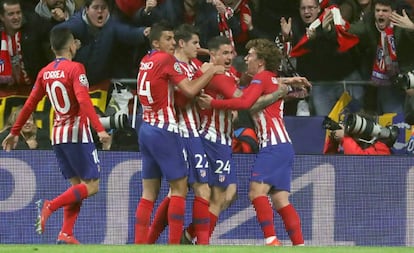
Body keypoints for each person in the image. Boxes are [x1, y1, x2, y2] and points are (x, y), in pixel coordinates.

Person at [1, 27, 111, 244]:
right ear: (72, 46)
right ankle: (50, 205)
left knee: (77, 187)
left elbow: (30, 104)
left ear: (52, 49)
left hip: (57, 135)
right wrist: (100, 129)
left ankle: (66, 233)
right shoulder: (76, 68)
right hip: (77, 133)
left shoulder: (45, 72)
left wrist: (14, 132)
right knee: (92, 186)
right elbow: (83, 100)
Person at [198, 38, 308, 246]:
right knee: (280, 200)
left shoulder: (261, 78)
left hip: (272, 146)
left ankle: (271, 240)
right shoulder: (270, 78)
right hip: (284, 146)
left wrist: (213, 102)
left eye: (250, 55)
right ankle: (299, 245)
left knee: (256, 192)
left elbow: (245, 103)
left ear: (260, 61)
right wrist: (288, 83)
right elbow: (251, 95)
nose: (245, 58)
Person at [134, 22, 223, 245]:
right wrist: (210, 70)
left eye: (174, 39)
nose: (172, 43)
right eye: (168, 39)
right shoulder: (166, 60)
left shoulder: (146, 61)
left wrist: (200, 53)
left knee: (148, 194)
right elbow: (190, 91)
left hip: (145, 127)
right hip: (165, 129)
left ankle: (139, 246)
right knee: (179, 189)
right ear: (156, 42)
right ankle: (174, 245)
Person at [0, 0, 53, 91]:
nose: (16, 17)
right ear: (2, 17)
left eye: (18, 13)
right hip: (6, 90)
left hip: (34, 87)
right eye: (11, 14)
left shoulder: (34, 26)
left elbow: (53, 35)